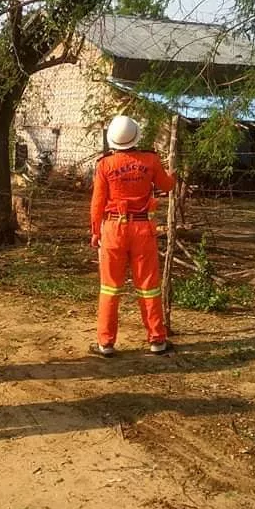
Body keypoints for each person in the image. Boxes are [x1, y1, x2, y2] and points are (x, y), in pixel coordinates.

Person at [90, 115, 176, 357]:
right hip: (143, 229)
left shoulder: (105, 164)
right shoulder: (151, 160)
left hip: (113, 229)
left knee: (110, 287)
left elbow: (97, 203)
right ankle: (157, 340)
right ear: (136, 136)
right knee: (149, 287)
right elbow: (167, 186)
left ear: (112, 140)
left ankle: (105, 343)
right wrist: (173, 175)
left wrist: (95, 231)